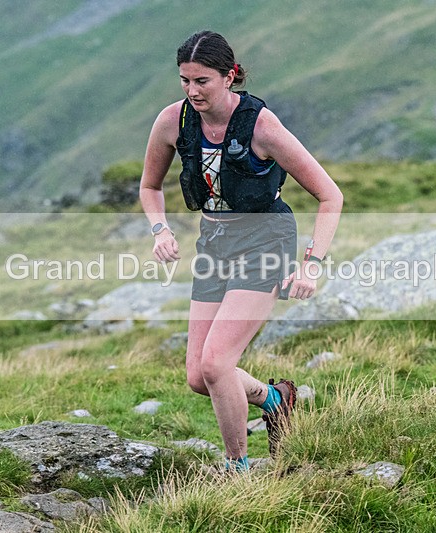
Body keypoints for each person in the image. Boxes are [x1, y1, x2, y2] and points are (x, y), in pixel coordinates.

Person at [140, 30, 343, 472]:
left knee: (216, 364)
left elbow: (331, 196)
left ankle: (238, 470)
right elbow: (149, 187)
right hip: (214, 244)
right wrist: (160, 230)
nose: (192, 90)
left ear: (229, 76)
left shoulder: (263, 127)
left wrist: (311, 265)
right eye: (185, 80)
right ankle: (274, 399)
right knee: (199, 377)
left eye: (202, 81)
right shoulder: (172, 121)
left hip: (264, 243)